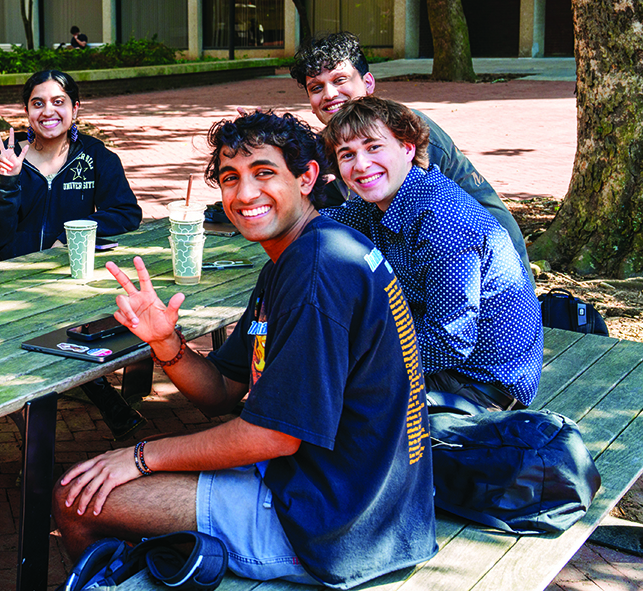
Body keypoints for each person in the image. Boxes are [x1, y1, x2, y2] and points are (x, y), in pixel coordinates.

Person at [52, 110, 437, 589]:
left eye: (264, 173)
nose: (245, 194)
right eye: (231, 178)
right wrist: (165, 342)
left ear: (307, 177)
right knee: (110, 486)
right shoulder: (298, 255)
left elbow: (273, 436)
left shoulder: (317, 270)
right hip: (364, 503)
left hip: (333, 527)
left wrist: (142, 456)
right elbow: (221, 392)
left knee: (75, 497)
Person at [321, 96, 544, 410]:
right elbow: (317, 225)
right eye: (347, 154)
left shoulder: (441, 219)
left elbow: (449, 342)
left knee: (321, 394)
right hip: (444, 365)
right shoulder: (379, 202)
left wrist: (356, 358)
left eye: (373, 147)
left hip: (477, 386)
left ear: (408, 147)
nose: (361, 164)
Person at [281, 31, 532, 277]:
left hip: (486, 272)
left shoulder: (400, 131)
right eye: (316, 87)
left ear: (368, 83)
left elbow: (380, 216)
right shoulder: (338, 141)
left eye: (339, 80)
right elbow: (333, 202)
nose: (329, 94)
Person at [0, 69, 146, 439]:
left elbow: (127, 212)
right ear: (26, 110)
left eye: (59, 102)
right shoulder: (3, 156)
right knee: (35, 330)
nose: (48, 111)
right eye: (38, 103)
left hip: (71, 279)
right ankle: (101, 400)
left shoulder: (95, 156)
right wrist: (7, 182)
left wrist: (72, 234)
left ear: (75, 108)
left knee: (69, 323)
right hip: (12, 274)